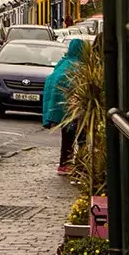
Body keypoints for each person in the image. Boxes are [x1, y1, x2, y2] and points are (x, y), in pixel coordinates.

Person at [43, 37, 85, 174]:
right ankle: (79, 164)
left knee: (67, 136)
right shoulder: (79, 66)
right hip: (75, 107)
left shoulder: (62, 63)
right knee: (81, 136)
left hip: (63, 108)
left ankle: (64, 164)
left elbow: (53, 82)